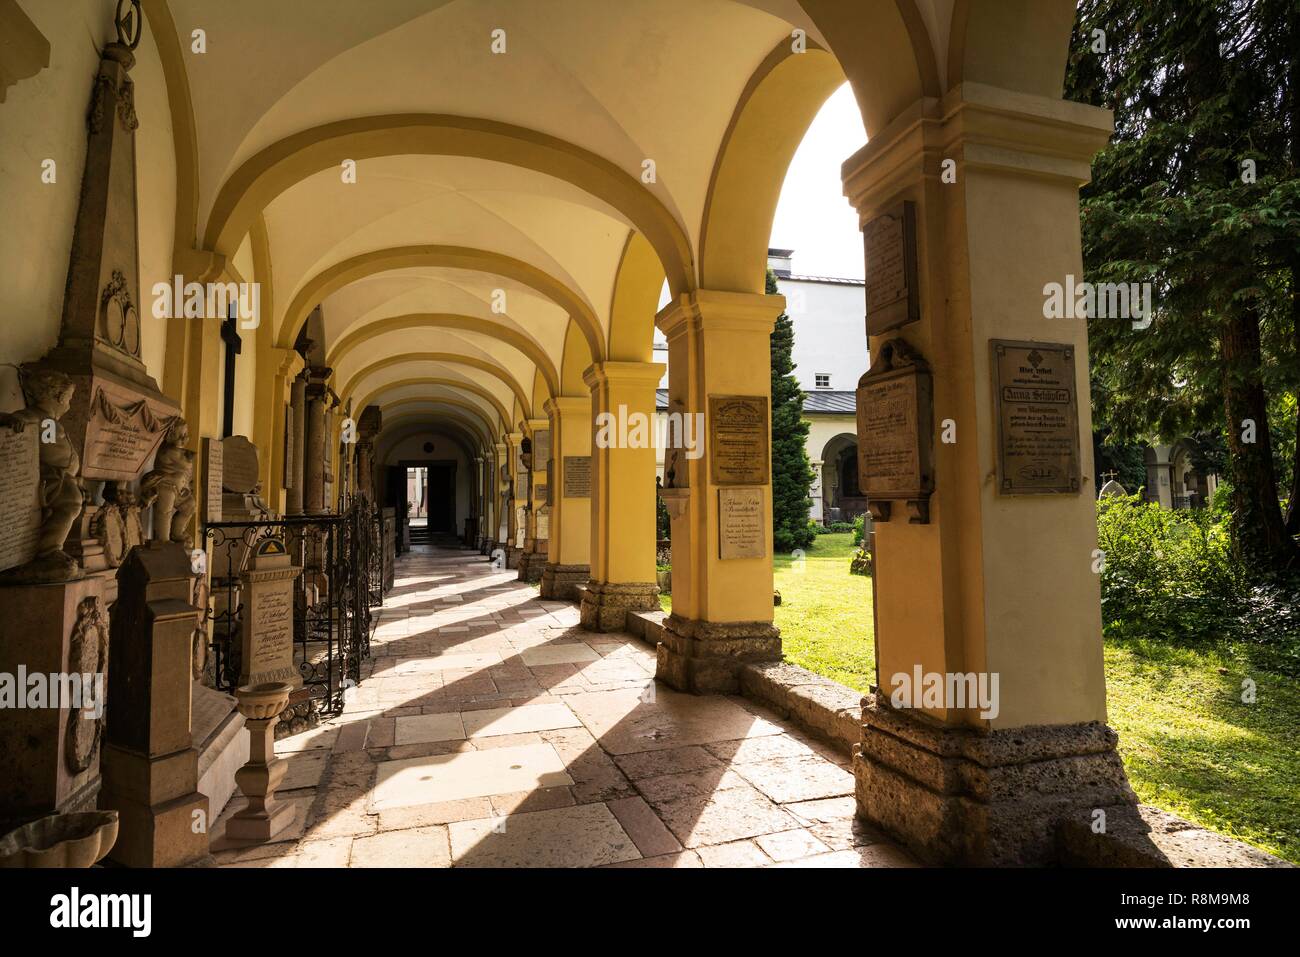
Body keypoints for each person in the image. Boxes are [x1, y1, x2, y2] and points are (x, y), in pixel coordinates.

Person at [0, 368, 84, 582]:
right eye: (69, 398)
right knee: (71, 502)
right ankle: (48, 551)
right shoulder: (35, 417)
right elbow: (14, 423)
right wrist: (9, 421)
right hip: (46, 477)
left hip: (61, 476)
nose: (70, 404)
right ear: (58, 397)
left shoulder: (49, 422)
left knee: (73, 501)